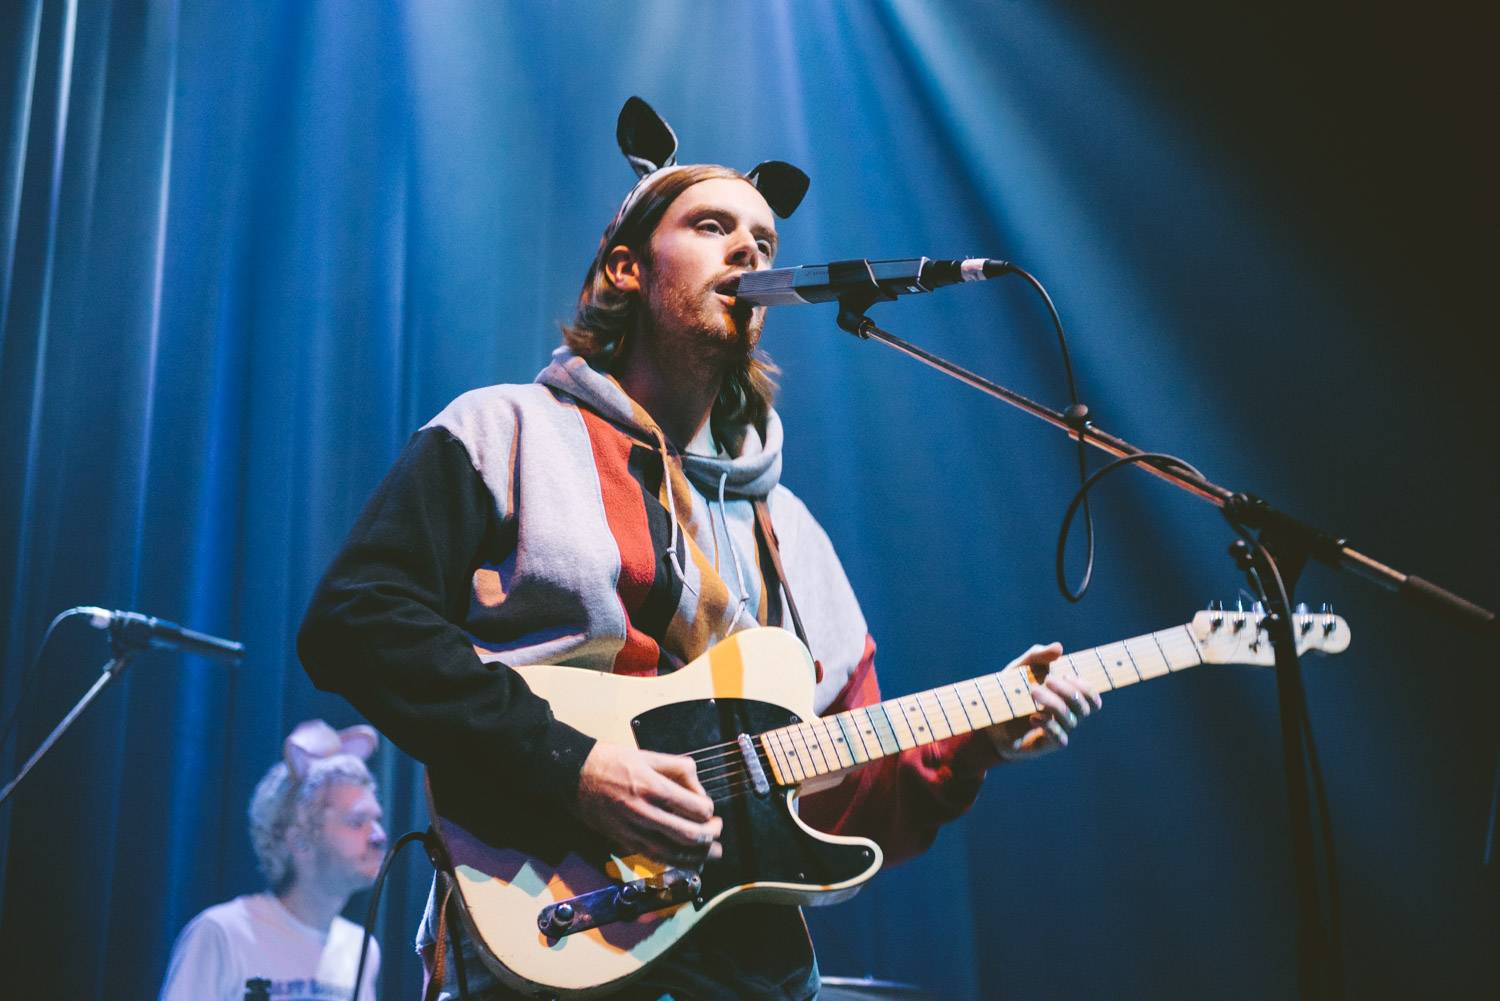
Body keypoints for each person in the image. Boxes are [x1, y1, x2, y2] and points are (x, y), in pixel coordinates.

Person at [297, 97, 1099, 1000]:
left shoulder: (793, 532)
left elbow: (843, 787)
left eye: (762, 238)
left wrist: (971, 745)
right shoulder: (504, 430)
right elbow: (355, 620)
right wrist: (574, 765)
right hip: (548, 932)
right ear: (626, 266)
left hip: (743, 964)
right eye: (713, 225)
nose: (751, 252)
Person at [157, 720, 387, 1001]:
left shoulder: (361, 948)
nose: (379, 836)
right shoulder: (223, 933)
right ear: (300, 840)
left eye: (376, 820)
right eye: (357, 822)